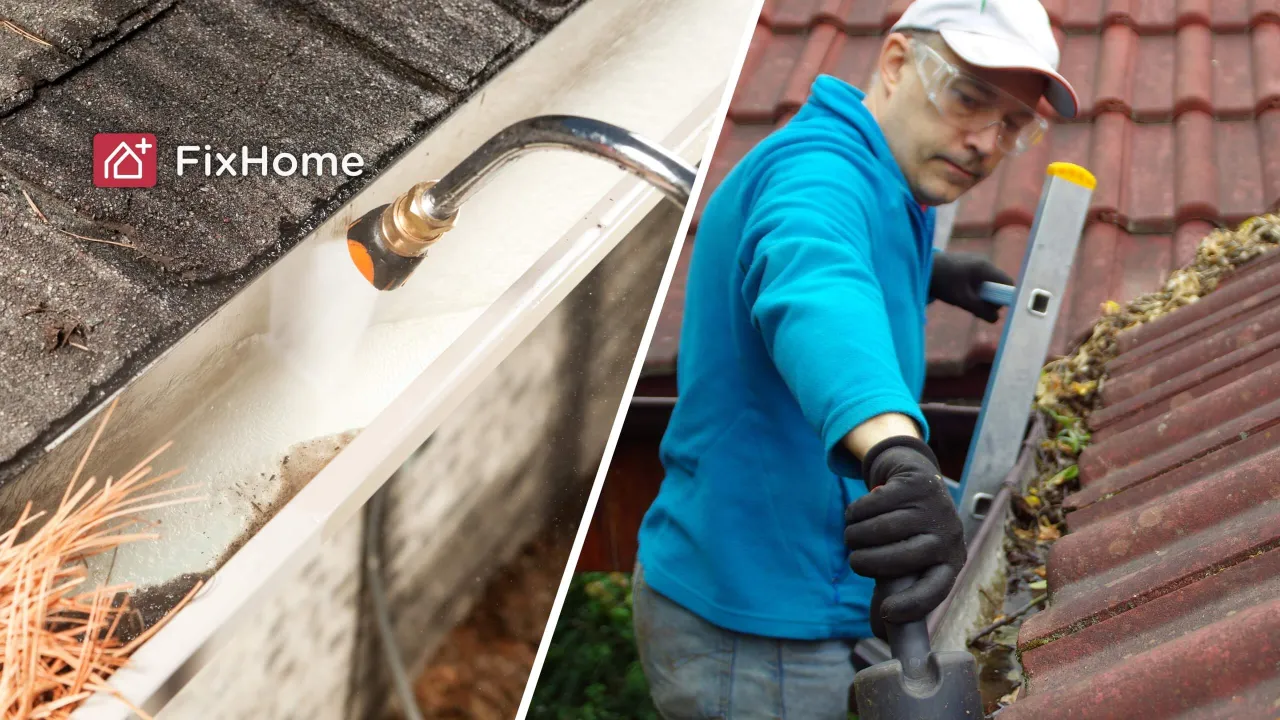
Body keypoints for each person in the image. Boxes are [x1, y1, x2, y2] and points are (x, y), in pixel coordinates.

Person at [631, 0, 1080, 717]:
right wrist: (896, 454)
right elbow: (815, 284)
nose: (983, 143)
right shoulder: (816, 172)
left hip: (801, 592)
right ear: (898, 64)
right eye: (969, 99)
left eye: (1012, 126)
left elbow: (843, 257)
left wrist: (927, 271)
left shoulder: (894, 177)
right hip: (757, 628)